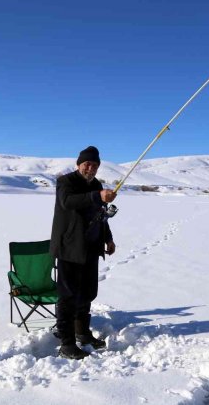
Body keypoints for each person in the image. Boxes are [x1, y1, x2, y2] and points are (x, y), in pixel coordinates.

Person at [50, 146, 117, 359]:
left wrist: (108, 238)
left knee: (87, 293)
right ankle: (67, 344)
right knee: (68, 296)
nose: (91, 168)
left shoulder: (96, 185)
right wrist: (97, 195)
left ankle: (82, 333)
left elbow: (101, 215)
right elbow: (68, 202)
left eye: (95, 165)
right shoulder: (66, 182)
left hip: (91, 247)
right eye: (87, 164)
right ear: (79, 164)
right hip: (70, 247)